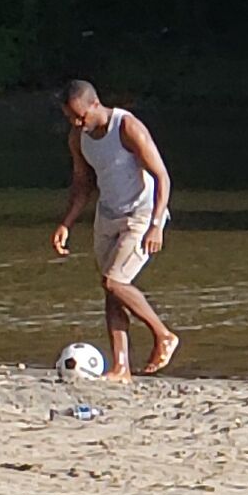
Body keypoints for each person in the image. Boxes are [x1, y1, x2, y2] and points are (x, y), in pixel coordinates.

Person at [54, 78, 180, 376]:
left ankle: (164, 335)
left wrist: (157, 225)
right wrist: (66, 223)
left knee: (114, 282)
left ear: (95, 104)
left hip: (141, 214)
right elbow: (82, 185)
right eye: (70, 117)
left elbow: (162, 177)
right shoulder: (78, 137)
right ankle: (121, 368)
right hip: (108, 215)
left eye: (80, 116)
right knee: (111, 290)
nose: (76, 122)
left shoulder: (127, 128)